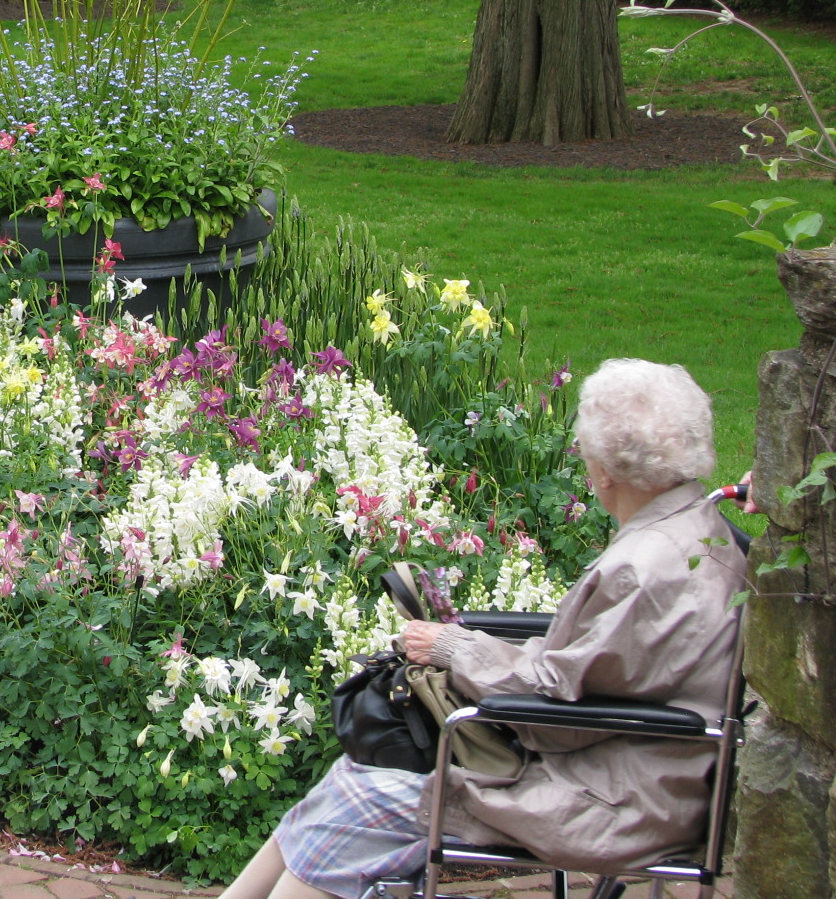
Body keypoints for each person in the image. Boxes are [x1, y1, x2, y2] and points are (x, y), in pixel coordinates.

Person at [222, 359, 745, 899]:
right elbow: (588, 676)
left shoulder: (642, 567)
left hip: (611, 799)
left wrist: (453, 646)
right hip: (646, 775)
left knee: (362, 797)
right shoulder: (694, 527)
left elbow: (556, 713)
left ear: (606, 471)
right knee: (350, 786)